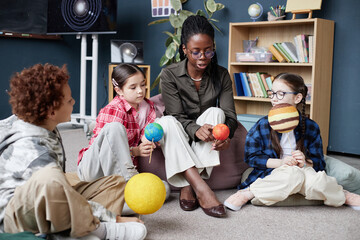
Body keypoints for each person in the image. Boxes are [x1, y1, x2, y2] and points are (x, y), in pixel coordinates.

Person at [0, 63, 146, 240]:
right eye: (69, 101)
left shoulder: (39, 120)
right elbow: (55, 193)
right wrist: (113, 218)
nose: (74, 102)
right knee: (55, 185)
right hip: (19, 217)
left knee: (115, 182)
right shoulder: (36, 152)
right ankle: (98, 229)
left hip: (49, 195)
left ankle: (87, 220)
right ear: (52, 111)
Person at [224, 73, 360, 211]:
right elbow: (251, 158)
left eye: (280, 94)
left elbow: (319, 163)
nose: (274, 99)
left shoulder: (311, 127)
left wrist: (305, 162)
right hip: (273, 172)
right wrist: (281, 163)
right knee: (292, 175)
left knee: (317, 180)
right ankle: (249, 192)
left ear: (297, 97)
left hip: (304, 171)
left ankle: (343, 194)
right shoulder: (262, 125)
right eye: (272, 93)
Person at [159, 15, 238, 218]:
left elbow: (229, 115)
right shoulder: (169, 74)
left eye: (208, 50)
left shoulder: (221, 74)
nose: (203, 57)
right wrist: (195, 129)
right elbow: (175, 115)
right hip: (179, 132)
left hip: (207, 132)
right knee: (166, 122)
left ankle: (187, 185)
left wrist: (225, 137)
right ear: (184, 49)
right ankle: (202, 188)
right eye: (195, 52)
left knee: (216, 112)